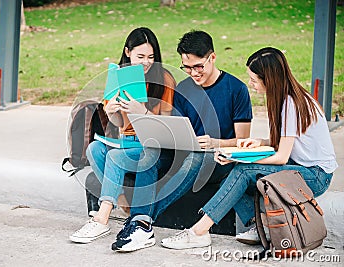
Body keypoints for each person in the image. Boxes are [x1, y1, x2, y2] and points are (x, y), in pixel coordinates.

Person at [158, 47, 338, 250]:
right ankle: (257, 225)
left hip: (315, 176)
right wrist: (259, 143)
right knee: (228, 174)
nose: (251, 84)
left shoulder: (290, 104)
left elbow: (281, 157)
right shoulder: (287, 98)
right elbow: (287, 141)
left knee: (242, 170)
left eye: (254, 80)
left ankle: (199, 231)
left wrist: (241, 159)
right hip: (301, 168)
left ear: (268, 79)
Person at [111, 30, 253, 252]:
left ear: (212, 57)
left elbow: (243, 141)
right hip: (185, 152)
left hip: (218, 158)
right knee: (150, 152)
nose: (194, 73)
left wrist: (216, 142)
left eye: (199, 67)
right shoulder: (184, 88)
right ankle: (141, 223)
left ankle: (141, 221)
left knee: (196, 159)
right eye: (187, 68)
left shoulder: (236, 89)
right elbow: (175, 130)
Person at [69, 27, 176, 244]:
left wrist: (143, 112)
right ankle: (122, 203)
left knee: (115, 157)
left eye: (151, 57)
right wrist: (111, 113)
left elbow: (168, 128)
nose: (146, 62)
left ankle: (102, 218)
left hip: (151, 144)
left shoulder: (164, 78)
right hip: (126, 141)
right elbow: (119, 125)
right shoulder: (118, 76)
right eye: (140, 56)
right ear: (128, 52)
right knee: (94, 149)